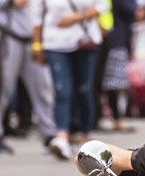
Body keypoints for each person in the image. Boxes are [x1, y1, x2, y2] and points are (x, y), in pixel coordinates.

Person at [31, 0, 108, 160]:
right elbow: (36, 16)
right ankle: (62, 136)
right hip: (55, 43)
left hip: (84, 42)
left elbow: (102, 7)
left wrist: (75, 18)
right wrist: (37, 45)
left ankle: (85, 134)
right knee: (62, 90)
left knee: (84, 90)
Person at [0, 0, 57, 155]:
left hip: (33, 38)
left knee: (42, 87)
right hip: (10, 36)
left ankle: (49, 134)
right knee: (3, 88)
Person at [101, 0, 136, 133]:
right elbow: (131, 9)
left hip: (116, 40)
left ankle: (115, 118)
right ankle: (116, 119)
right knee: (114, 83)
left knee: (112, 82)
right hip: (115, 41)